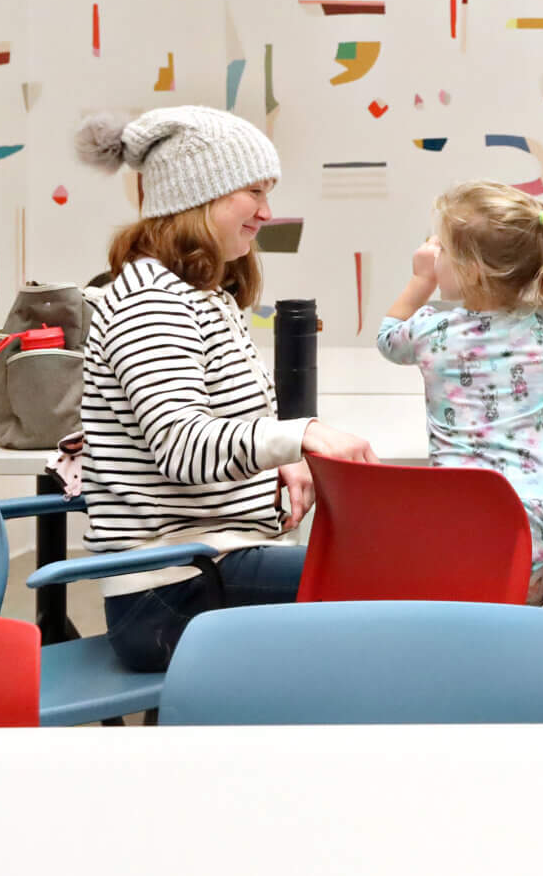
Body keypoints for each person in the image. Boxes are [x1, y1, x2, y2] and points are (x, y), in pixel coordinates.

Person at [73, 107, 377, 672]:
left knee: (394, 581)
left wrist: (274, 460)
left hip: (210, 566)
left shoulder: (199, 295)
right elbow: (184, 444)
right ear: (199, 196)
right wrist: (300, 436)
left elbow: (214, 421)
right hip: (173, 594)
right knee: (396, 584)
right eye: (254, 192)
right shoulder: (152, 303)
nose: (267, 212)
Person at [376, 181, 543, 605]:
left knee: (467, 627)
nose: (432, 253)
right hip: (528, 519)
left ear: (473, 269)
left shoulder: (429, 328)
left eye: (440, 249)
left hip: (451, 519)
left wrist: (419, 279)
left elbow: (388, 339)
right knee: (522, 624)